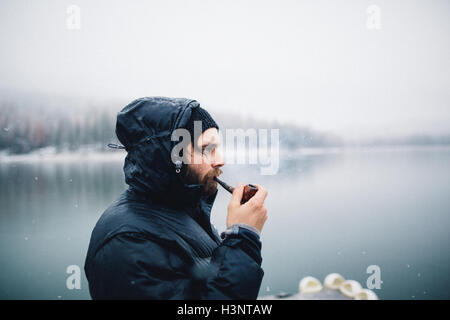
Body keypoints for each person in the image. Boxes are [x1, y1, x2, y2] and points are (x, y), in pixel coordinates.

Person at [84, 97, 269, 299]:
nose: (220, 160)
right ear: (170, 157)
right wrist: (242, 239)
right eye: (207, 149)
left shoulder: (181, 210)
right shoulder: (126, 242)